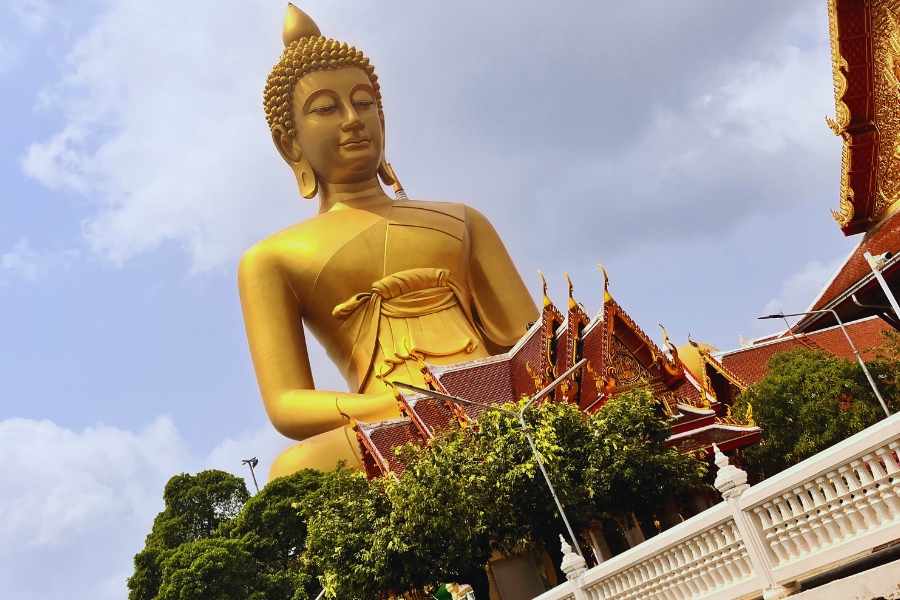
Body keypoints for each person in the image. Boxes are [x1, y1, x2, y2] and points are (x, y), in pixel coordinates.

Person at [239, 4, 538, 479]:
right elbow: (287, 405)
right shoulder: (271, 260)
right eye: (326, 109)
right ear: (290, 143)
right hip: (395, 419)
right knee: (293, 470)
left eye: (364, 103)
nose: (353, 119)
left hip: (501, 400)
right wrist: (395, 404)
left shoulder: (462, 220)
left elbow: (532, 342)